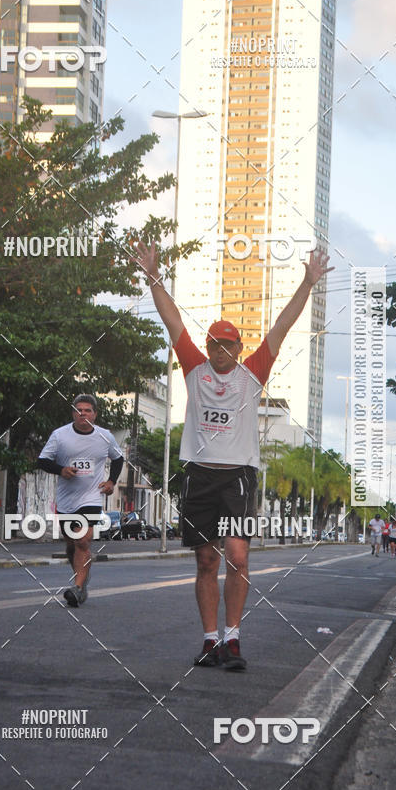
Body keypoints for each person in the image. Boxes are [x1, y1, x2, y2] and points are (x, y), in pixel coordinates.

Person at [136, 240, 332, 670]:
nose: (219, 350)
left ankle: (233, 638)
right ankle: (210, 641)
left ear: (239, 349)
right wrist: (153, 274)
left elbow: (282, 325)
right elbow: (172, 321)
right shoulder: (193, 368)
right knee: (206, 559)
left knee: (238, 556)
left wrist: (308, 282)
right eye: (214, 344)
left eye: (227, 345)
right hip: (199, 476)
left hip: (238, 477)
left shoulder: (252, 373)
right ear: (206, 347)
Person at [37, 394, 124, 607]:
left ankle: (76, 588)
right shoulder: (60, 435)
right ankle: (82, 578)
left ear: (94, 414)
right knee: (71, 544)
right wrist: (61, 469)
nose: (82, 413)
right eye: (78, 410)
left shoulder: (105, 436)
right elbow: (42, 461)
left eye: (87, 410)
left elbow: (118, 458)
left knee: (83, 541)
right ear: (73, 413)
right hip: (67, 499)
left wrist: (111, 481)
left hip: (92, 496)